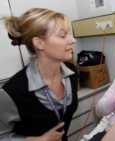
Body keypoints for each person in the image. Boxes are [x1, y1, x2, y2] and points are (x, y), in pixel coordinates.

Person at [0, 8, 78, 141]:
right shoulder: (12, 92)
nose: (73, 40)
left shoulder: (72, 73)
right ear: (39, 43)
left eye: (69, 33)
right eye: (63, 35)